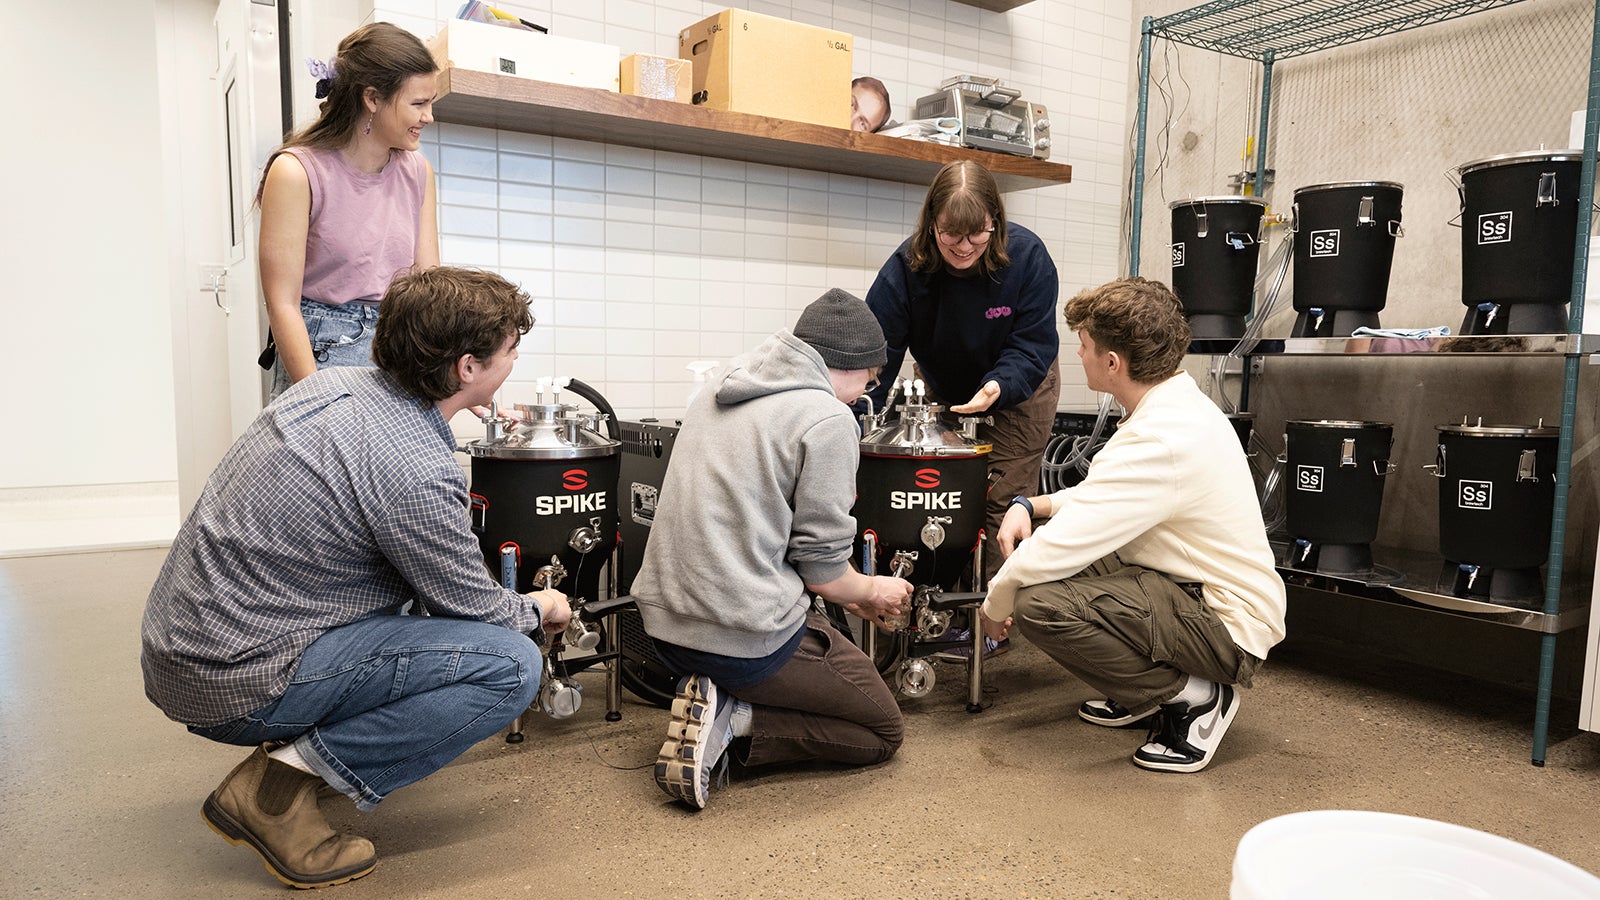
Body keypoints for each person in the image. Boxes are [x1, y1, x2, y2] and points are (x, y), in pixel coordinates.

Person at [141, 267, 571, 888]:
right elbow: (476, 609)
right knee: (508, 666)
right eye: (510, 350)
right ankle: (275, 792)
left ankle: (309, 757)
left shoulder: (328, 387)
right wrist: (540, 607)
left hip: (185, 647)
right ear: (468, 368)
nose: (514, 362)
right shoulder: (416, 467)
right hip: (238, 677)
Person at [978, 276, 1286, 774]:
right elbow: (1105, 497)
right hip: (1191, 590)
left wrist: (995, 605)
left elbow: (1062, 546)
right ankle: (1141, 692)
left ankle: (1195, 697)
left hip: (1227, 626)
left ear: (1112, 363)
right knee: (1069, 564)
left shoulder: (1160, 438)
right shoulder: (1173, 407)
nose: (1078, 355)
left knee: (1038, 601)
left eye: (1083, 346)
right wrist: (1032, 506)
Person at [630, 288, 914, 811]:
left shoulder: (723, 386)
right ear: (847, 365)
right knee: (882, 729)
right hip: (743, 635)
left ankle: (720, 697)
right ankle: (735, 719)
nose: (864, 393)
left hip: (662, 626)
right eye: (868, 380)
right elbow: (825, 576)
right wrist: (874, 589)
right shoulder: (827, 419)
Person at [864, 159, 1062, 588]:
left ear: (996, 222)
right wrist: (857, 417)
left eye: (978, 233)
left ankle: (994, 610)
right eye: (951, 233)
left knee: (1000, 499)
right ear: (931, 223)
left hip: (1020, 385)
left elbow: (1033, 343)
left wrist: (998, 385)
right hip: (945, 385)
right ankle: (942, 603)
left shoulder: (1027, 258)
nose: (965, 246)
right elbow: (878, 352)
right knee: (944, 493)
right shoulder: (906, 267)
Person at [257, 22, 440, 397]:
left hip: (398, 354)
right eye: (418, 103)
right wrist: (316, 400)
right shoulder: (296, 171)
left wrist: (454, 382)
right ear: (372, 98)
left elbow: (428, 292)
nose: (429, 117)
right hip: (321, 356)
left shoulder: (418, 172)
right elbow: (282, 304)